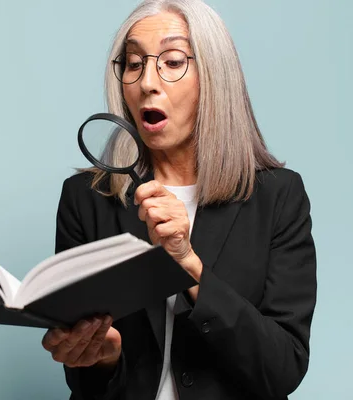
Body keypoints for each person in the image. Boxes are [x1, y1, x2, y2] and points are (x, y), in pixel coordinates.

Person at [40, 0, 317, 399]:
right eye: (134, 63)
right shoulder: (86, 199)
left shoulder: (278, 197)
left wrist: (188, 265)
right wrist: (102, 358)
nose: (147, 82)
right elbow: (83, 381)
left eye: (171, 62)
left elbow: (282, 368)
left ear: (214, 76)